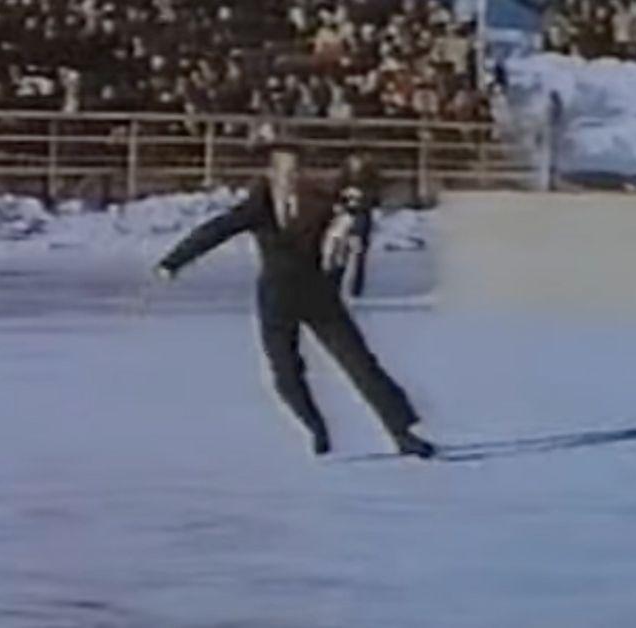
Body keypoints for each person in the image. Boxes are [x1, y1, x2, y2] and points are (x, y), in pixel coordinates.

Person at [153, 141, 436, 458]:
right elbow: (217, 229)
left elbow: (353, 221)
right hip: (277, 298)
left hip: (319, 296)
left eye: (297, 168)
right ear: (272, 172)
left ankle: (403, 432)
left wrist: (357, 219)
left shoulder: (321, 201)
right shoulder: (258, 204)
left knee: (360, 364)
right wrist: (173, 261)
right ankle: (315, 427)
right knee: (285, 371)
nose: (293, 174)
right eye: (285, 168)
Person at [327, 151, 383, 297]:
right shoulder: (344, 175)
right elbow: (336, 193)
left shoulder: (370, 177)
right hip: (345, 217)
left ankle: (356, 287)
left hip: (361, 215)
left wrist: (362, 200)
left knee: (358, 252)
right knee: (341, 251)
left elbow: (375, 197)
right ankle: (337, 283)